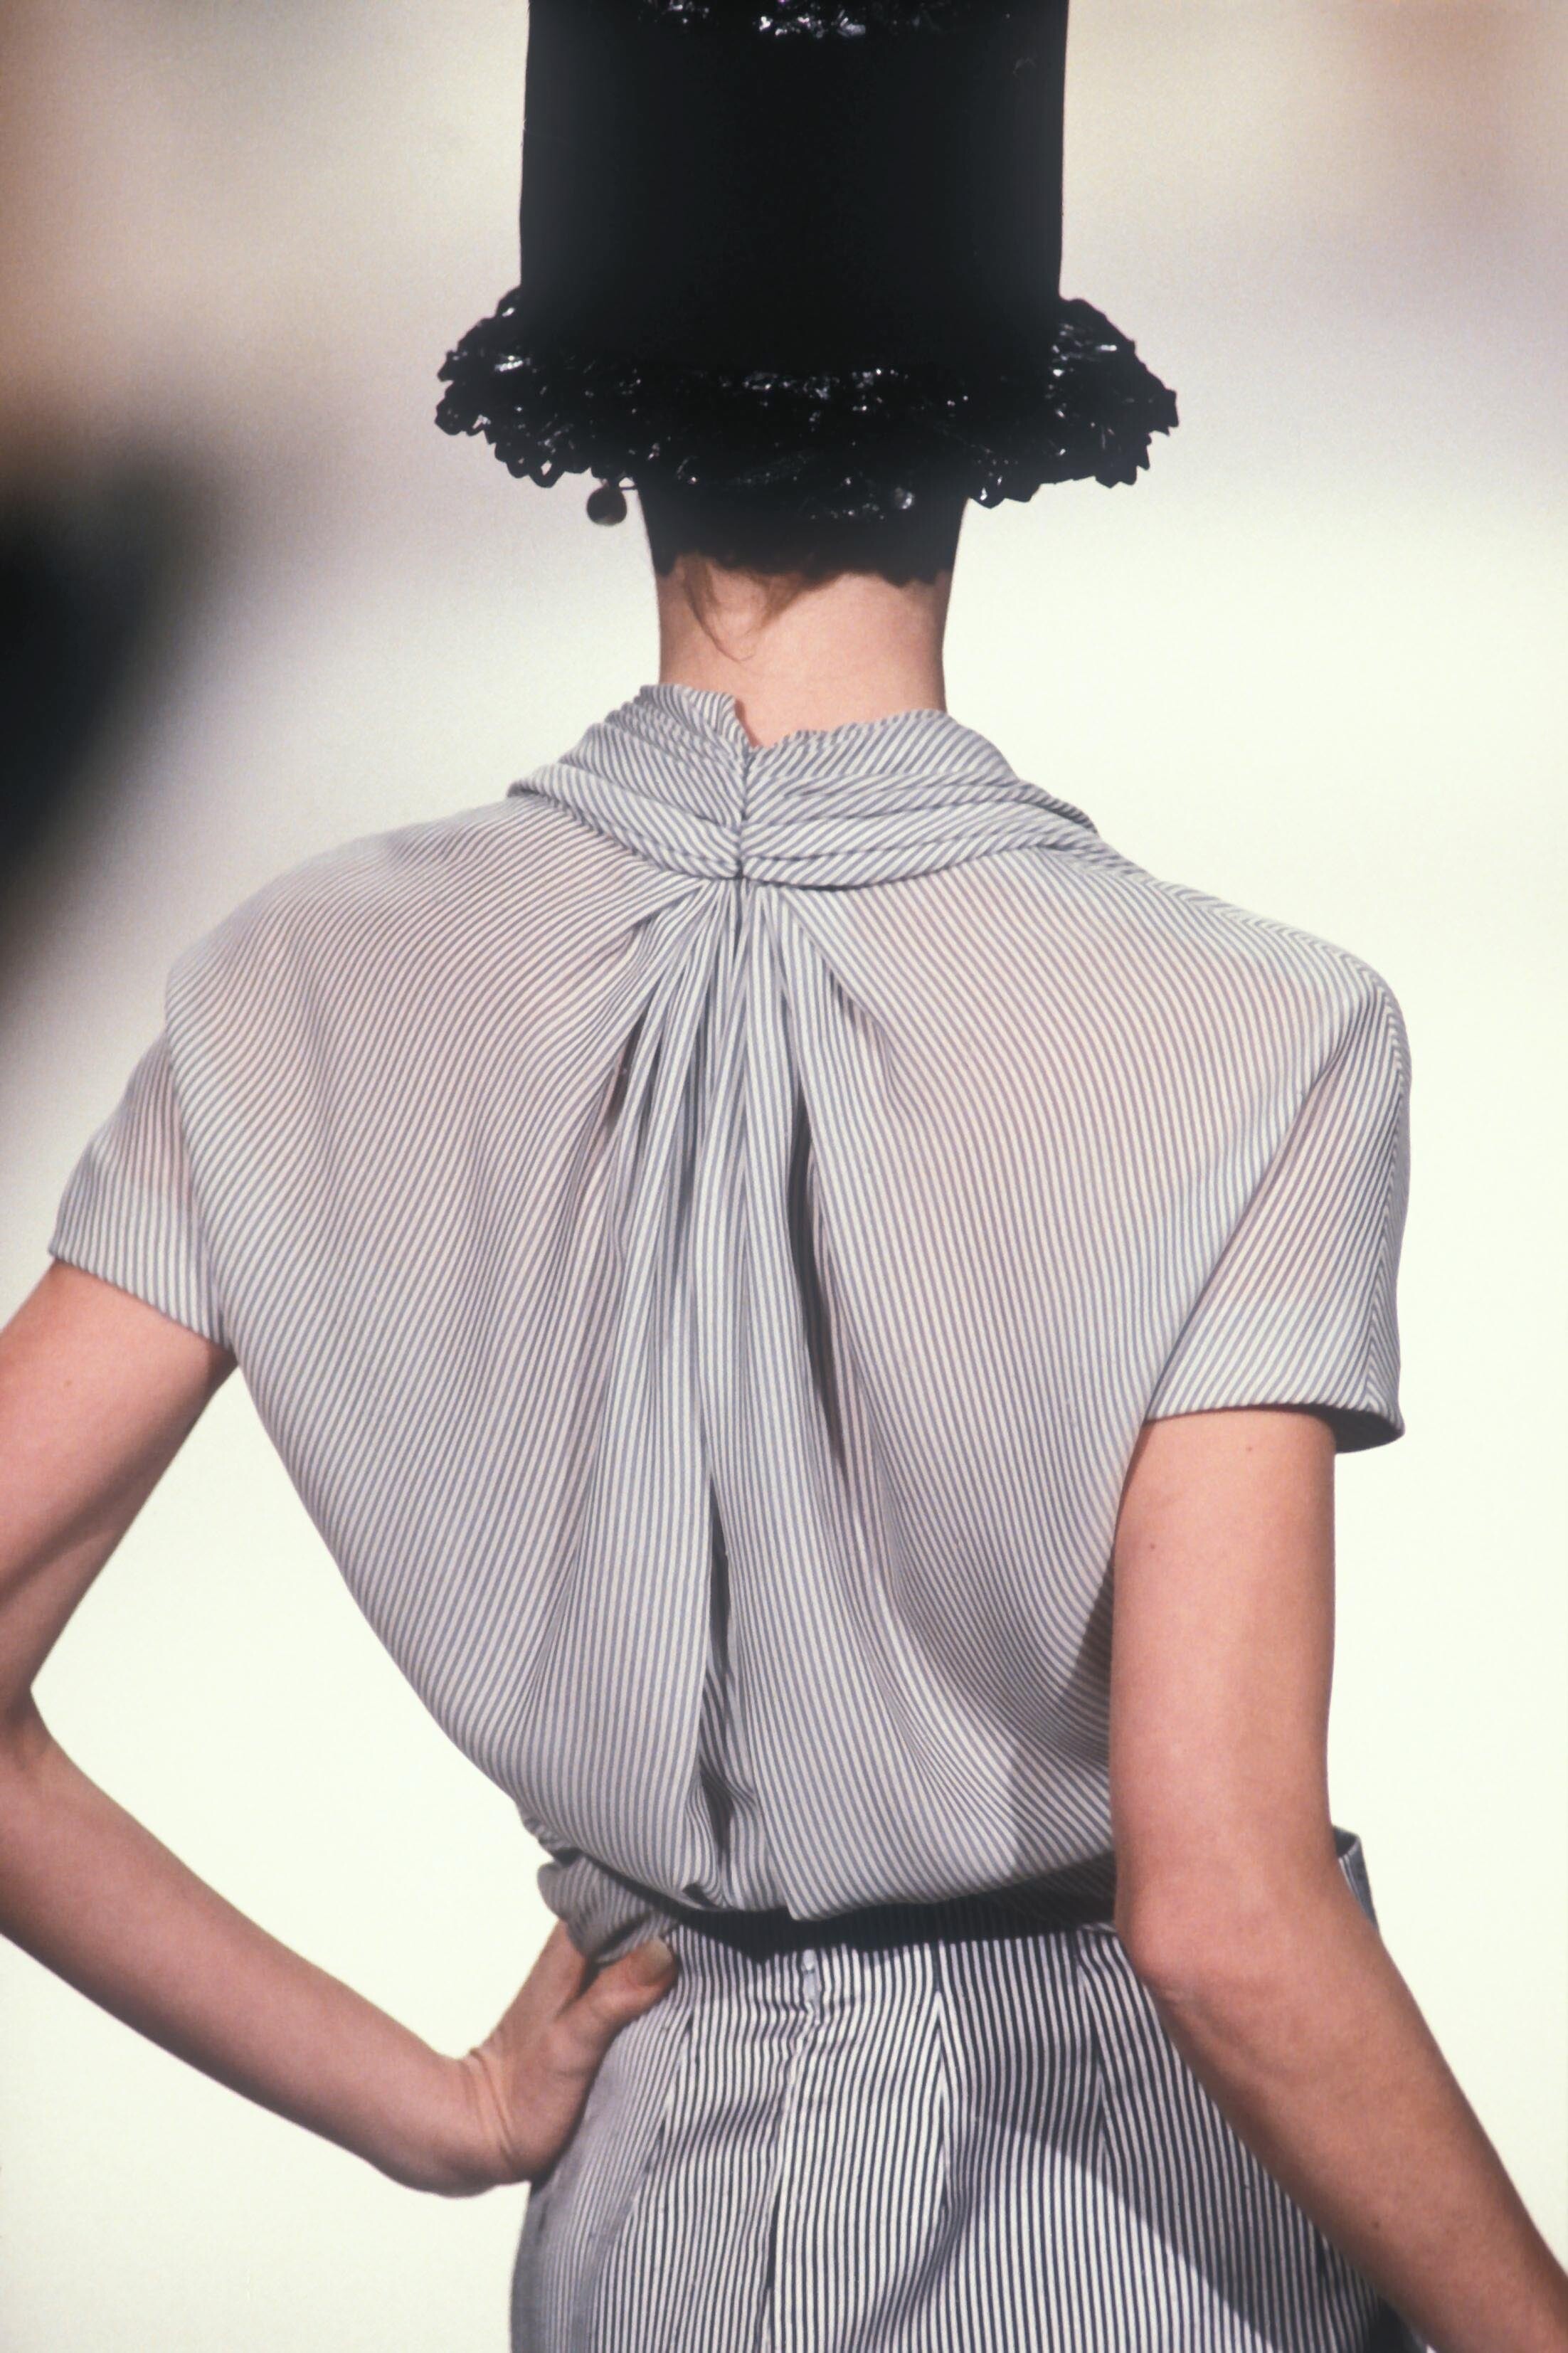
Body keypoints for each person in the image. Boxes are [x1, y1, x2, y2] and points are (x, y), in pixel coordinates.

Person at [2, 4, 1565, 2350]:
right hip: (1125, 2245)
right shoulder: (1253, 1038)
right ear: (1006, 411)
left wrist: (429, 2102)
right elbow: (1224, 1918)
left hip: (647, 2226)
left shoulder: (287, 990)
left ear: (590, 414)